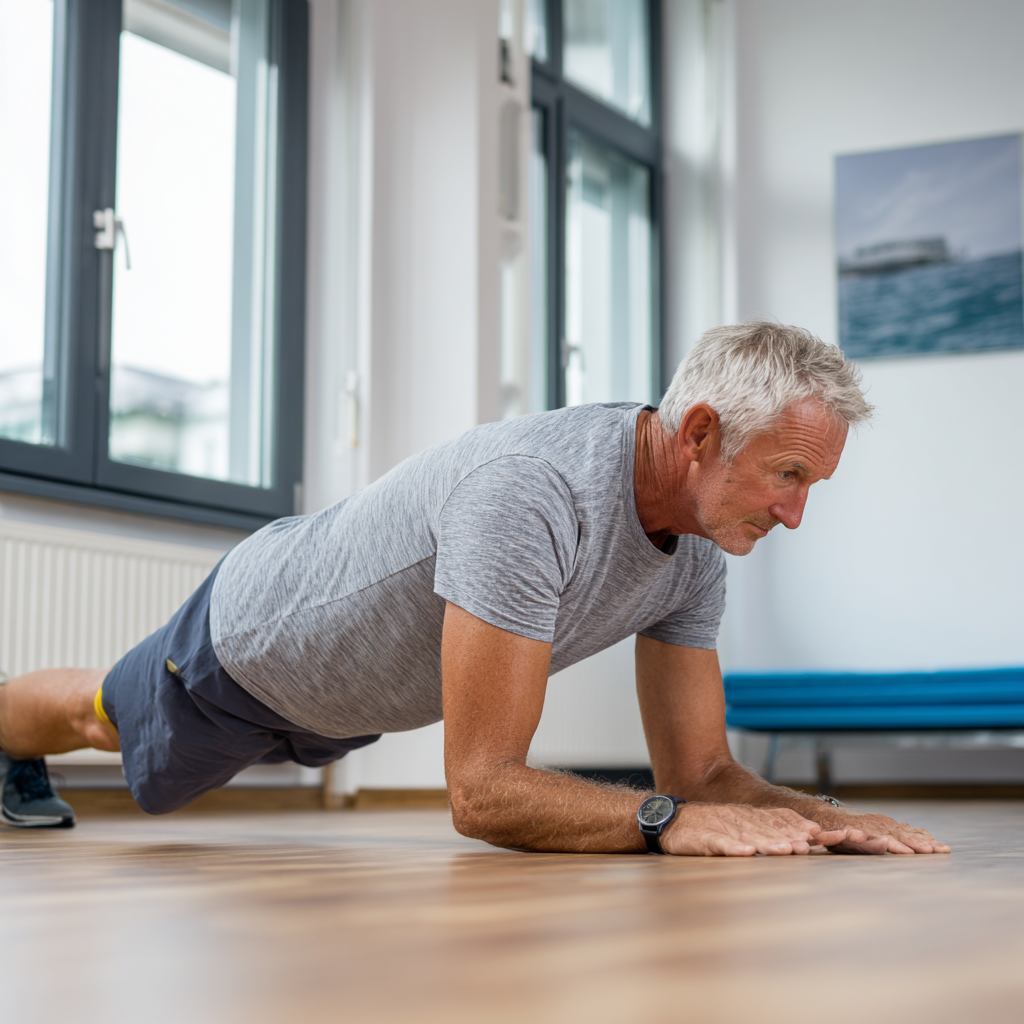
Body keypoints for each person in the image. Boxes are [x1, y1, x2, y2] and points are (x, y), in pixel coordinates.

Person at [0, 322, 950, 856]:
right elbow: (483, 793)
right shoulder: (533, 493)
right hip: (256, 639)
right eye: (787, 475)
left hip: (347, 698)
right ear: (699, 432)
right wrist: (665, 825)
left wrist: (829, 820)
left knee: (128, 731)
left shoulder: (696, 551)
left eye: (810, 487)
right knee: (103, 719)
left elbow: (699, 775)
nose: (795, 517)